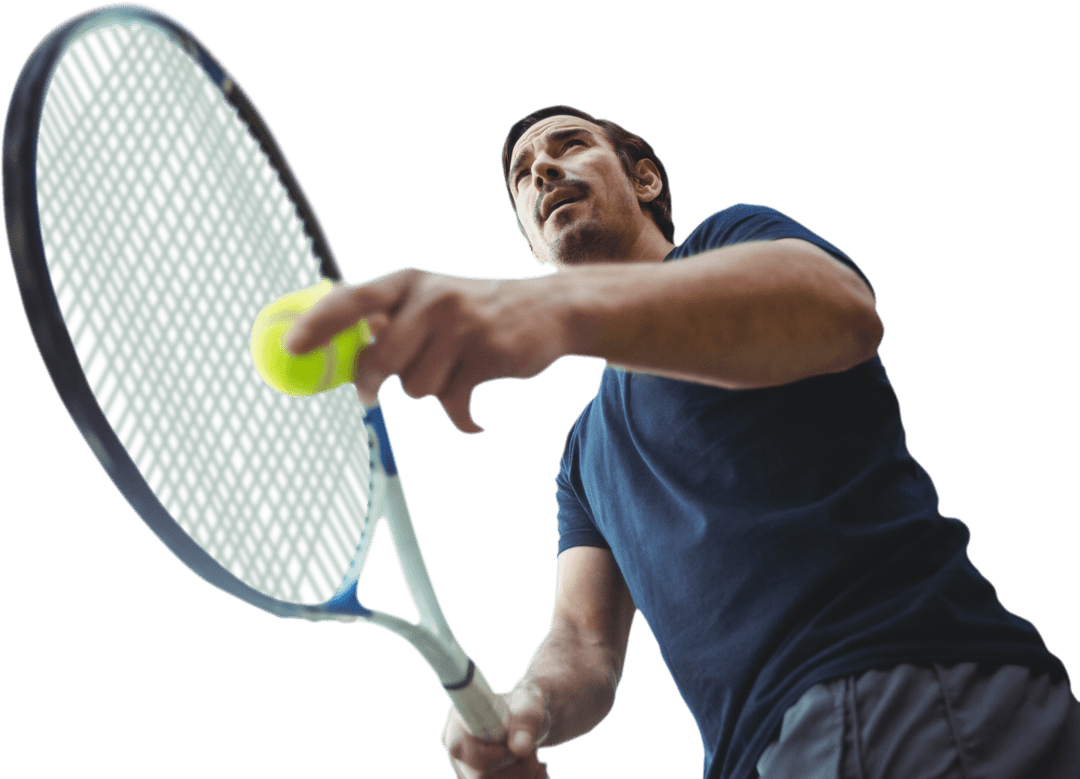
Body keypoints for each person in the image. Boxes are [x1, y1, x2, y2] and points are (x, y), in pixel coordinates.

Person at [286, 106, 1078, 779]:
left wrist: (559, 313)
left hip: (902, 686)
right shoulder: (584, 455)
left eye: (569, 146)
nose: (543, 172)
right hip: (758, 755)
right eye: (524, 175)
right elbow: (585, 644)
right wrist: (525, 706)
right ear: (531, 242)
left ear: (645, 180)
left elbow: (841, 312)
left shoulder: (734, 242)